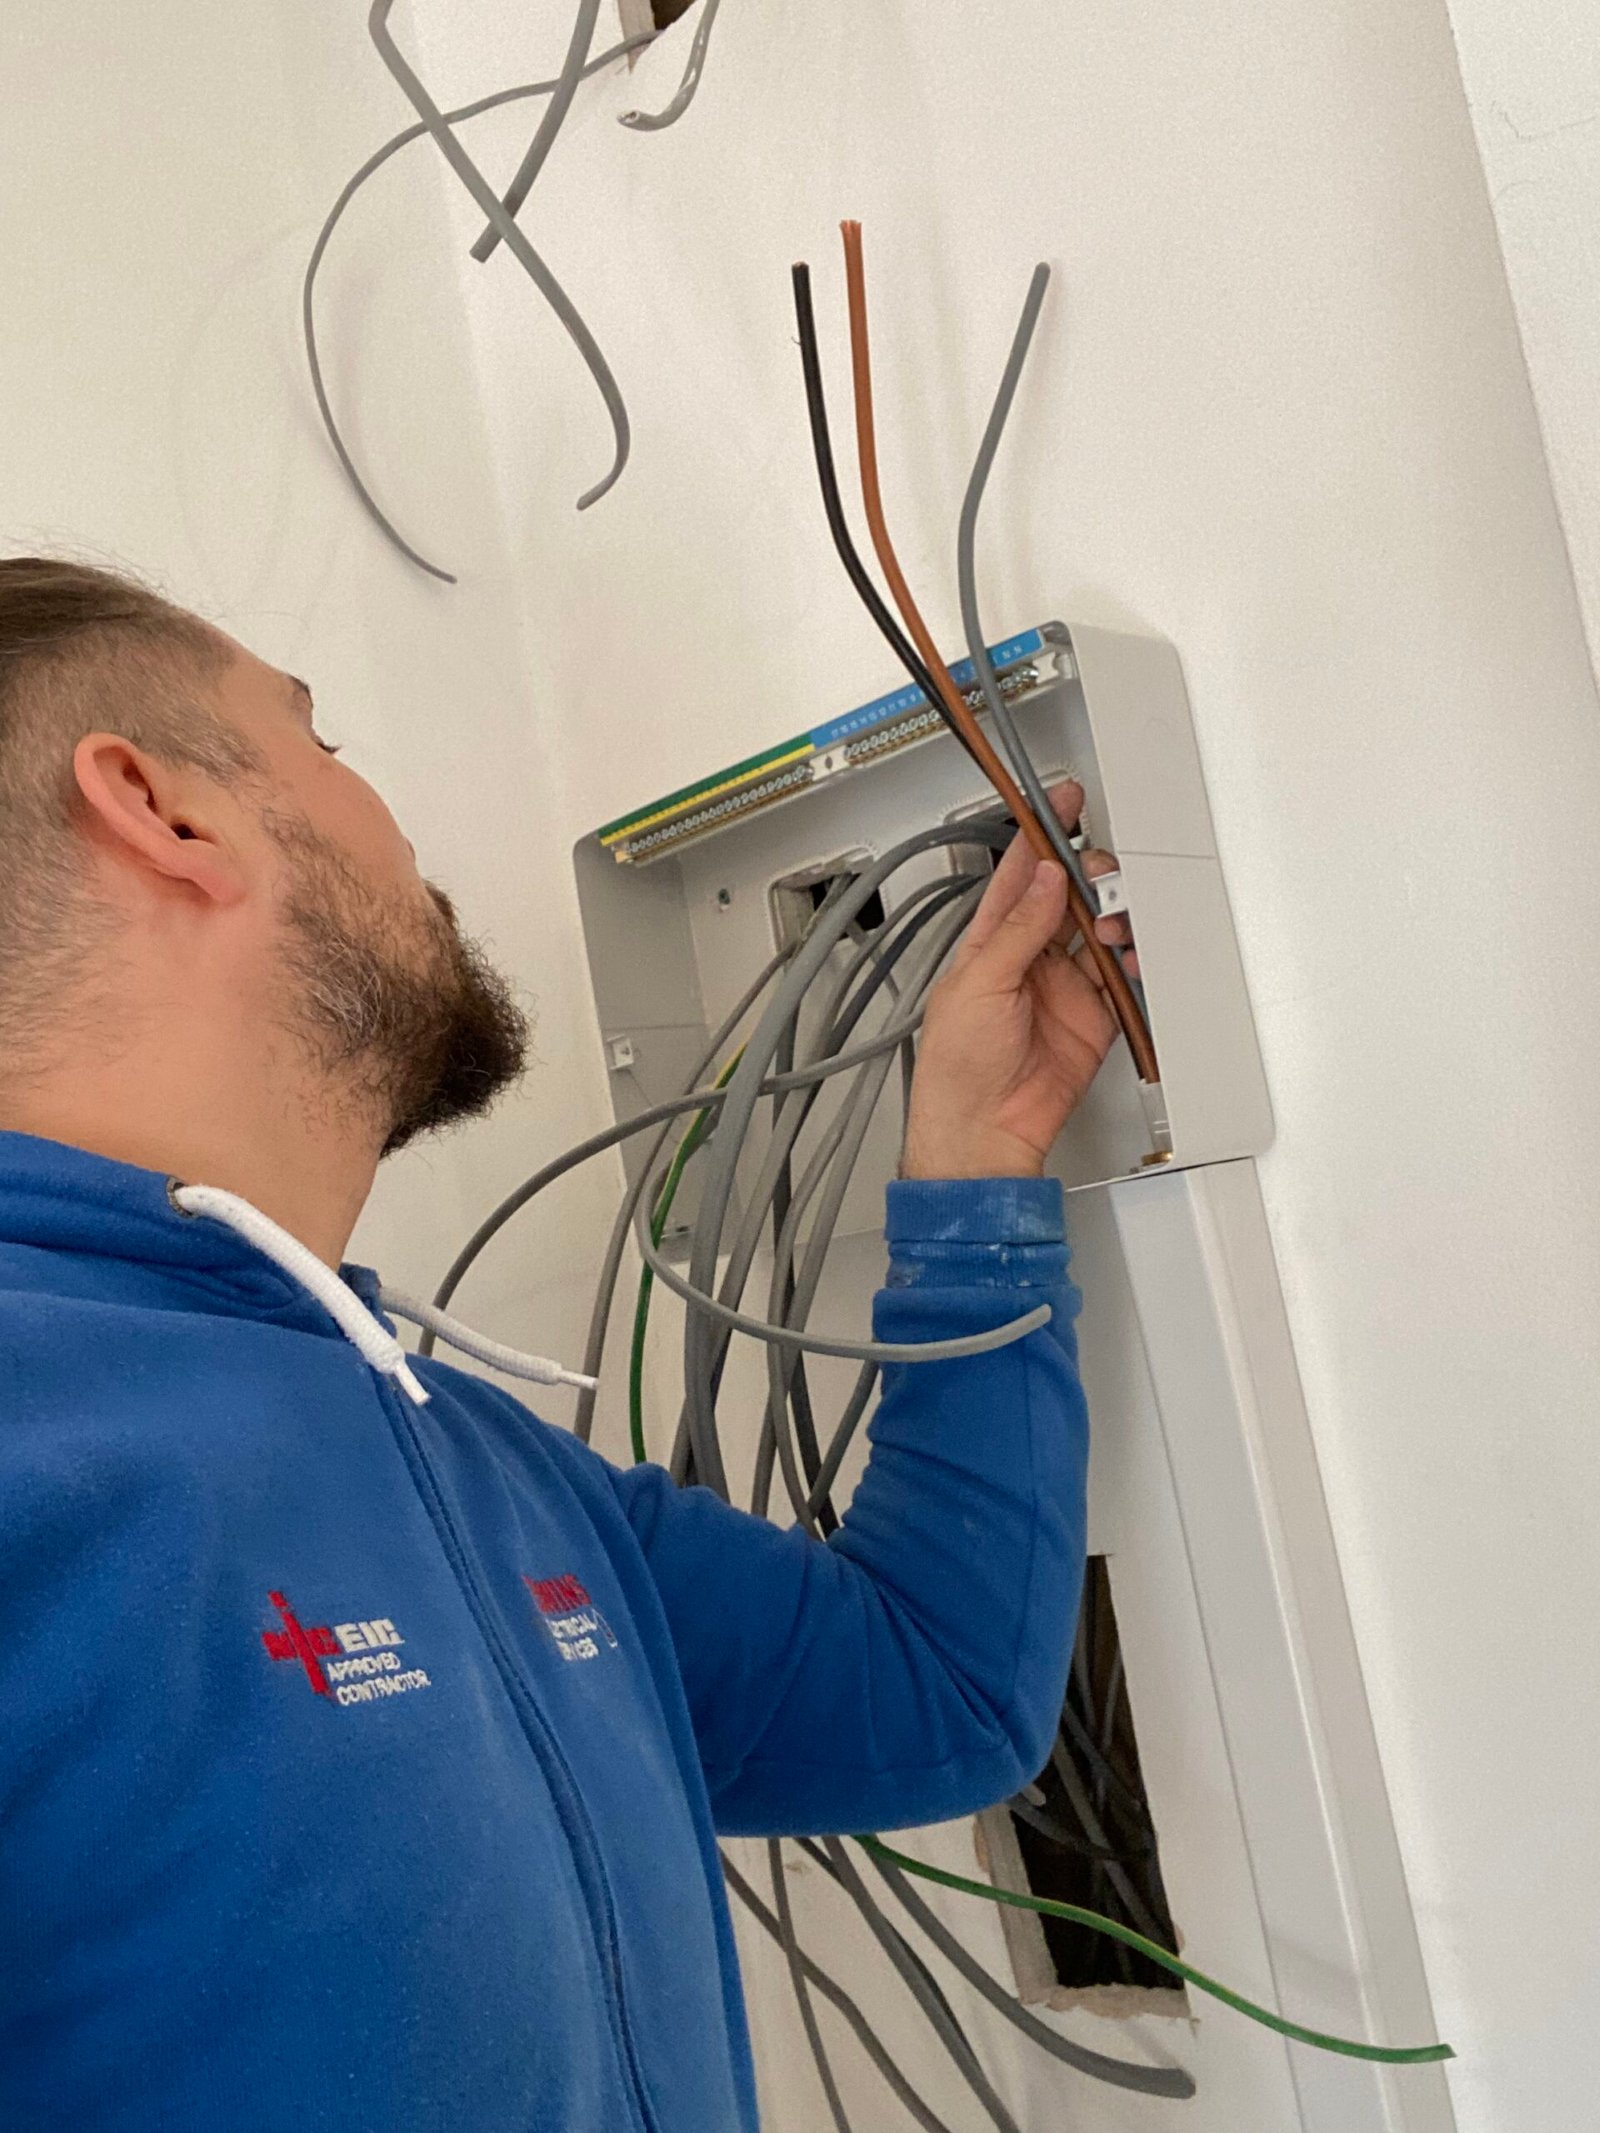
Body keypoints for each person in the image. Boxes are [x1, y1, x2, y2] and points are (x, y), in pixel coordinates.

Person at [0, 557, 1127, 2132]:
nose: (391, 821)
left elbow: (933, 1690)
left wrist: (977, 1179)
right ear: (165, 811)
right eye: (318, 740)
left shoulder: (475, 1460)